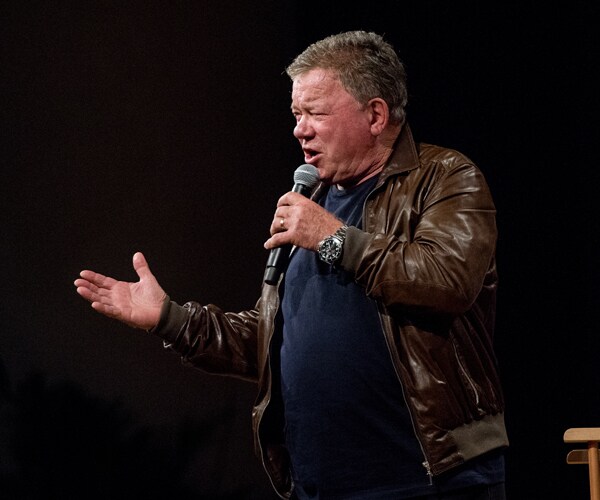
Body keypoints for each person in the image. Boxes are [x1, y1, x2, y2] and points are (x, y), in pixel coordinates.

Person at [74, 31, 508, 500]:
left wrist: (330, 236)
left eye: (315, 113)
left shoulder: (444, 178)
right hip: (321, 485)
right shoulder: (313, 200)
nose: (300, 129)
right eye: (296, 114)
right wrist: (170, 319)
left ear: (376, 115)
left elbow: (446, 281)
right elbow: (273, 341)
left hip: (428, 481)